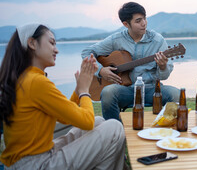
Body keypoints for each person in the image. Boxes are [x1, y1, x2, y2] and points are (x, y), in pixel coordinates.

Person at [0, 24, 126, 169]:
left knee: (99, 121)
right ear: (32, 43)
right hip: (35, 164)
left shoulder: (26, 77)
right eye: (52, 43)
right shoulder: (36, 81)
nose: (57, 50)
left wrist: (78, 90)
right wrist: (85, 91)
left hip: (30, 159)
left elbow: (64, 116)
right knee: (114, 128)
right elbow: (86, 121)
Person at [81, 2, 179, 121]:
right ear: (126, 24)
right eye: (138, 21)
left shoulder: (158, 41)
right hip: (125, 90)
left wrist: (163, 67)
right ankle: (115, 131)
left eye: (144, 19)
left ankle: (166, 130)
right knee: (107, 92)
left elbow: (164, 76)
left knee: (176, 95)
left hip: (152, 89)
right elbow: (87, 52)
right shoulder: (116, 39)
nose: (144, 23)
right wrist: (101, 71)